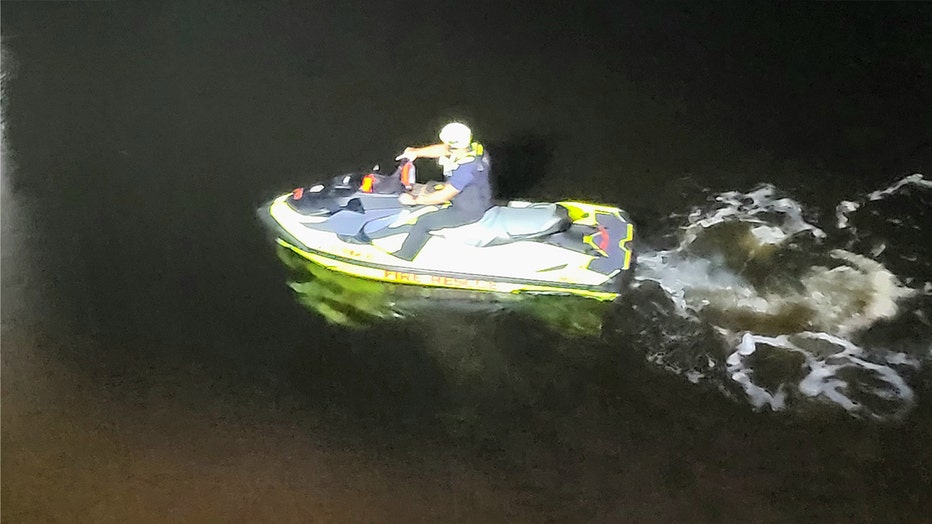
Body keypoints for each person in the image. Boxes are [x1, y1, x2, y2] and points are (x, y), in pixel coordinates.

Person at [392, 122, 493, 261]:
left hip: (467, 211)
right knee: (430, 188)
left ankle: (403, 257)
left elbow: (444, 196)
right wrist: (417, 152)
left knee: (423, 221)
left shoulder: (466, 169)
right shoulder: (473, 148)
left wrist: (414, 200)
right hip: (475, 197)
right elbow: (444, 149)